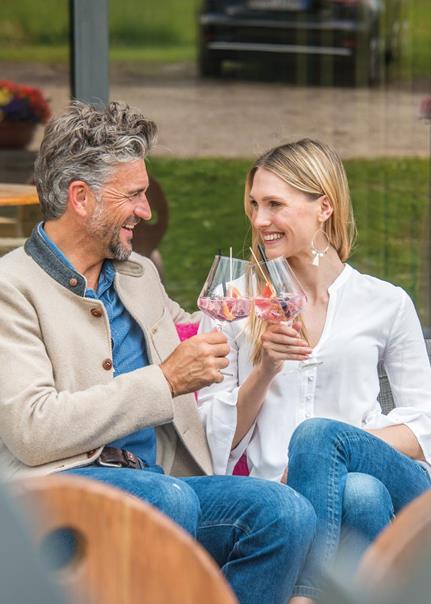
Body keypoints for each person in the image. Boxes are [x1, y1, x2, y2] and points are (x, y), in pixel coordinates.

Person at [0, 102, 317, 604]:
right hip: (57, 493)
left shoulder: (138, 273)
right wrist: (165, 381)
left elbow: (200, 328)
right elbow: (32, 430)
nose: (147, 212)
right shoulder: (11, 288)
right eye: (135, 195)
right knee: (165, 501)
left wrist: (264, 328)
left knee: (284, 512)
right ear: (81, 198)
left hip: (157, 482)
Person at [198, 139, 431, 602]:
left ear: (323, 206)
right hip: (283, 499)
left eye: (274, 205)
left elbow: (426, 422)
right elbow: (212, 433)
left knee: (318, 439)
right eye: (254, 205)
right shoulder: (236, 299)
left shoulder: (385, 302)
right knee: (359, 494)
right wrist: (264, 369)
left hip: (394, 479)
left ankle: (303, 596)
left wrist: (326, 456)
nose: (259, 220)